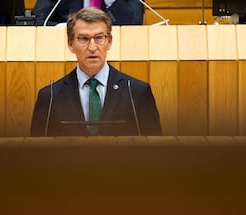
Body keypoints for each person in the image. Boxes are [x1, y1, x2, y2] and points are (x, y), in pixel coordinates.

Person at [30, 7, 162, 137]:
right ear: (70, 45)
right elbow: (38, 153)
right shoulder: (50, 96)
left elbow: (154, 150)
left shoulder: (136, 93)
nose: (92, 47)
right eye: (83, 39)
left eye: (99, 38)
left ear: (109, 42)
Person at [33, 0, 144, 26]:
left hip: (115, 51)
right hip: (68, 50)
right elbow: (37, 20)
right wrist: (64, 28)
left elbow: (134, 23)